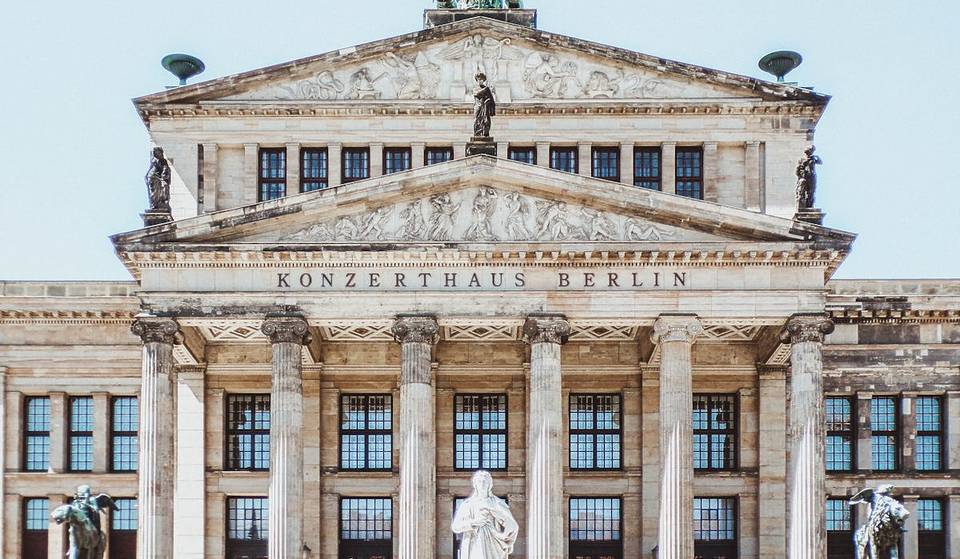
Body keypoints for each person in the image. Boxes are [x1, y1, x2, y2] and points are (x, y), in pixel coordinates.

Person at [452, 470, 518, 559]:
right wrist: (473, 523)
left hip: (494, 545)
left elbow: (512, 525)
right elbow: (456, 527)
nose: (482, 484)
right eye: (479, 481)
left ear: (490, 484)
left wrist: (505, 537)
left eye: (485, 481)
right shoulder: (467, 504)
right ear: (475, 484)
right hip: (474, 543)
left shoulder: (497, 503)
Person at [473, 72, 496, 138]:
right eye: (478, 79)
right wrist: (485, 89)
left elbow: (492, 100)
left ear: (483, 80)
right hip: (478, 107)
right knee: (477, 121)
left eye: (481, 79)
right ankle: (477, 133)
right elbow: (476, 94)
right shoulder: (476, 88)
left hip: (485, 108)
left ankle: (485, 132)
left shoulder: (487, 89)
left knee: (486, 121)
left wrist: (492, 110)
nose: (480, 81)